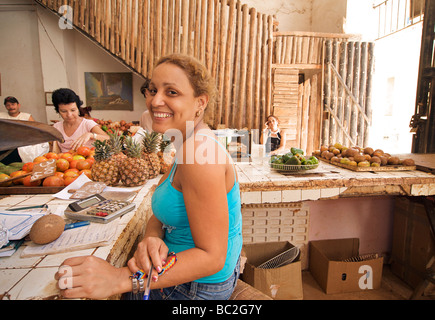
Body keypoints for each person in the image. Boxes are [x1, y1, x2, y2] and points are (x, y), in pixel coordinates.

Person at [55, 54, 243, 300]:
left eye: (172, 92)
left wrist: (118, 279)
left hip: (194, 287)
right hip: (181, 272)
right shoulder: (186, 143)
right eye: (152, 90)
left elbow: (212, 258)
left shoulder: (199, 153)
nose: (156, 101)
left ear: (200, 102)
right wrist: (153, 238)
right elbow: (161, 213)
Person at [51, 88, 109, 153]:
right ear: (58, 111)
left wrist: (91, 135)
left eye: (73, 110)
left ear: (78, 109)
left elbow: (108, 139)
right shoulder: (57, 127)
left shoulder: (87, 124)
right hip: (64, 161)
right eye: (64, 111)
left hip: (87, 161)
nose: (69, 115)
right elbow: (56, 153)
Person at [0, 96, 48, 164]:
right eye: (8, 105)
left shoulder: (26, 116)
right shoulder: (1, 116)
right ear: (5, 107)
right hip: (5, 143)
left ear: (18, 105)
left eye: (13, 104)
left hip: (22, 144)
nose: (11, 107)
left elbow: (36, 130)